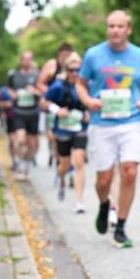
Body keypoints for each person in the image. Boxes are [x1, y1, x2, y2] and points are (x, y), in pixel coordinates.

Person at [76, 10, 140, 248]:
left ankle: (120, 226)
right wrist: (88, 101)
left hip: (130, 121)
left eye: (120, 26)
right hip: (102, 124)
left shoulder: (139, 55)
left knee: (129, 171)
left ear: (128, 29)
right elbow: (81, 84)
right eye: (111, 26)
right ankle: (103, 204)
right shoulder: (93, 55)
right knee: (104, 180)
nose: (115, 31)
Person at [43, 52, 89, 213]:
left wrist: (90, 112)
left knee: (79, 162)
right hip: (62, 129)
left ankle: (79, 202)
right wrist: (56, 110)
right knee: (65, 164)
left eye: (78, 70)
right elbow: (44, 102)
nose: (75, 73)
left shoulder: (86, 84)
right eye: (71, 70)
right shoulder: (58, 86)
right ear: (66, 70)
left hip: (80, 128)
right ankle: (61, 178)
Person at [7, 51, 42, 180]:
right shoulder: (14, 75)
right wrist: (13, 94)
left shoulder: (37, 75)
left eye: (29, 59)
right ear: (21, 60)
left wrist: (35, 91)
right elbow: (8, 88)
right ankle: (20, 164)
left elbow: (44, 91)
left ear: (32, 60)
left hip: (33, 113)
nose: (27, 62)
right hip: (19, 112)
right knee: (21, 140)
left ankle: (26, 165)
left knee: (32, 145)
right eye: (24, 59)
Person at [37, 42, 74, 166]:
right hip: (53, 104)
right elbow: (39, 83)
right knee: (54, 136)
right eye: (63, 56)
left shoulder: (75, 65)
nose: (65, 59)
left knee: (69, 135)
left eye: (68, 56)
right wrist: (51, 92)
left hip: (69, 105)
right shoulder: (52, 65)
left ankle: (67, 162)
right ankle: (56, 152)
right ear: (59, 55)